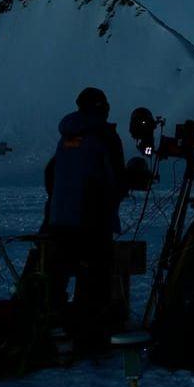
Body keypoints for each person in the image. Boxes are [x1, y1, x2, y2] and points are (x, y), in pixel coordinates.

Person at [43, 86, 126, 351]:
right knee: (95, 276)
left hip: (60, 218)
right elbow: (116, 177)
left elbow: (50, 173)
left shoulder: (68, 136)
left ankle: (50, 327)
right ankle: (88, 334)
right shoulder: (104, 136)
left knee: (58, 274)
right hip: (91, 219)